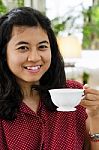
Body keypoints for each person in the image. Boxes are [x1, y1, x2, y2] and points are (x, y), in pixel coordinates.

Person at [0, 6, 99, 150]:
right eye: (23, 47)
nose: (34, 57)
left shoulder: (74, 94)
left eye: (42, 47)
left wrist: (95, 116)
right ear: (4, 54)